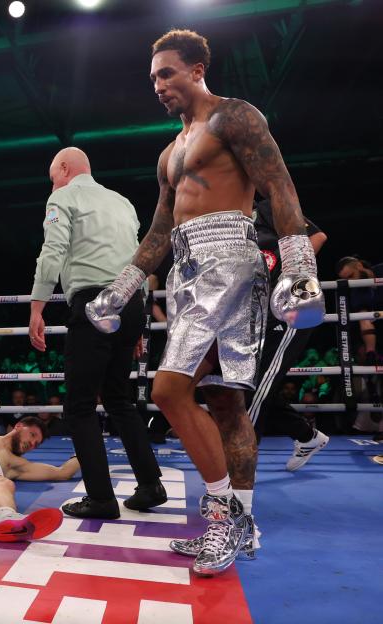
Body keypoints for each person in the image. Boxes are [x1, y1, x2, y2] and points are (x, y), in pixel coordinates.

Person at [86, 30, 324, 576]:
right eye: (152, 77)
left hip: (231, 261)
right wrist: (120, 289)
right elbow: (159, 231)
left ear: (197, 70)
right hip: (185, 270)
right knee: (223, 403)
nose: (158, 85)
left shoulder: (234, 116)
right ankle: (241, 521)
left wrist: (299, 269)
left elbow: (279, 186)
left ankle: (225, 519)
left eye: (166, 73)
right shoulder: (169, 152)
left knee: (169, 390)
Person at [28, 146, 167, 522]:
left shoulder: (62, 197)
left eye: (52, 176)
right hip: (130, 301)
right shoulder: (123, 203)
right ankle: (151, 485)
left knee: (80, 405)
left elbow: (53, 250)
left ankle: (101, 498)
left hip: (94, 302)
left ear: (64, 168)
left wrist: (37, 306)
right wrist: (137, 321)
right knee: (119, 399)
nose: (52, 184)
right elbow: (139, 259)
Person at [248, 199, 330, 471]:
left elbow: (316, 237)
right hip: (257, 315)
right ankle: (306, 436)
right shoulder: (231, 223)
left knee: (257, 389)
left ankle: (238, 464)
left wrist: (288, 281)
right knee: (253, 386)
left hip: (288, 308)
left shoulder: (266, 208)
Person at [335, 256, 383, 363]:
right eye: (347, 280)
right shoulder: (357, 293)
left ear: (359, 266)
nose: (350, 282)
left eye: (351, 276)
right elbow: (364, 320)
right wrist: (370, 351)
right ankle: (371, 353)